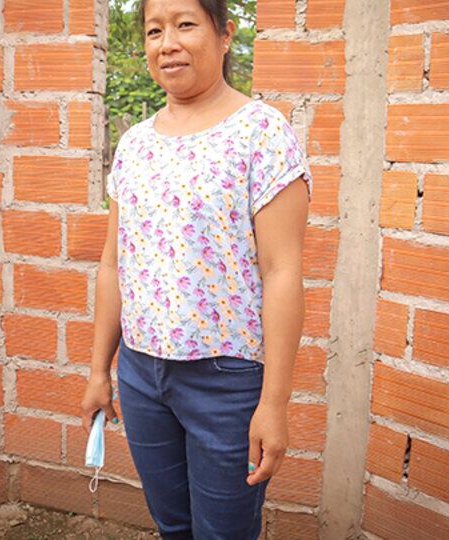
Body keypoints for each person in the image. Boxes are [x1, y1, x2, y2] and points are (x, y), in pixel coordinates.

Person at [80, 0, 312, 537]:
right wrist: (99, 371)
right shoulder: (135, 145)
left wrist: (274, 403)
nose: (168, 44)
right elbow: (114, 263)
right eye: (154, 31)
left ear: (225, 35)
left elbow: (282, 271)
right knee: (172, 524)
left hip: (225, 383)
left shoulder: (262, 133)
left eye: (185, 25)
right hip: (141, 374)